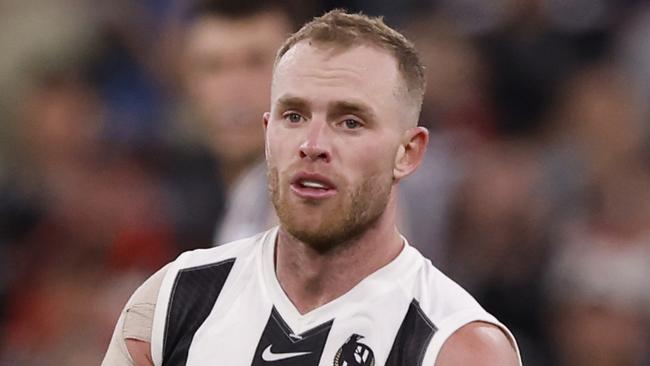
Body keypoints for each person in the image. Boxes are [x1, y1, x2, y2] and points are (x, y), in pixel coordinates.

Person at [102, 9, 521, 366]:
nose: (312, 145)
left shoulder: (456, 347)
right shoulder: (170, 303)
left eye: (350, 122)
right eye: (294, 116)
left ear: (408, 152)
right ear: (267, 133)